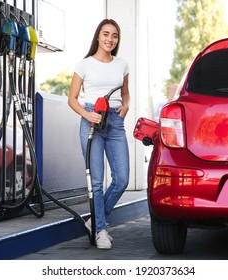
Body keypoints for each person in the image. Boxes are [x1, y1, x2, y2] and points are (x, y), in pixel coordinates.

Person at [68, 19, 130, 249]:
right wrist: (87, 114)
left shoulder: (122, 64)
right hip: (92, 122)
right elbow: (71, 99)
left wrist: (126, 105)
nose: (110, 39)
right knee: (96, 182)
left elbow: (126, 94)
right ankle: (100, 230)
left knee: (121, 179)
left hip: (115, 123)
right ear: (98, 36)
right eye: (106, 34)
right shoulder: (84, 65)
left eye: (114, 36)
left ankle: (94, 221)